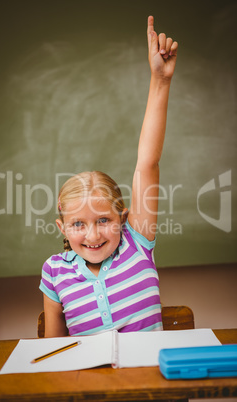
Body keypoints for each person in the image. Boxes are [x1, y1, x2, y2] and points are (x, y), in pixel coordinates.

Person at [40, 16, 178, 337]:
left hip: (149, 383)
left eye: (104, 220)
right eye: (78, 224)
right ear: (62, 227)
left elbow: (148, 161)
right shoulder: (54, 273)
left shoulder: (136, 242)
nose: (92, 235)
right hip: (89, 387)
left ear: (124, 217)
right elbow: (53, 350)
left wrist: (161, 80)